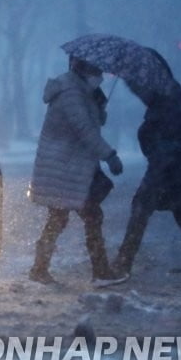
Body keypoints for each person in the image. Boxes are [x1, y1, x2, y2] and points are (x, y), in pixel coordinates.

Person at [112, 49, 181, 283]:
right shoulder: (170, 95)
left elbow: (167, 137)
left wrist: (148, 138)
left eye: (135, 84)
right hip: (179, 164)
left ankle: (123, 264)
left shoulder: (166, 100)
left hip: (167, 165)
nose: (135, 90)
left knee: (141, 207)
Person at [28, 56, 126, 287]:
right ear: (80, 66)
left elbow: (94, 123)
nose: (99, 73)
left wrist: (99, 105)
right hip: (65, 166)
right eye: (95, 67)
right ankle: (100, 271)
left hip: (71, 165)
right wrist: (109, 155)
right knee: (88, 216)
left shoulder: (80, 90)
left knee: (60, 218)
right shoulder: (71, 92)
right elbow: (84, 129)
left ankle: (40, 269)